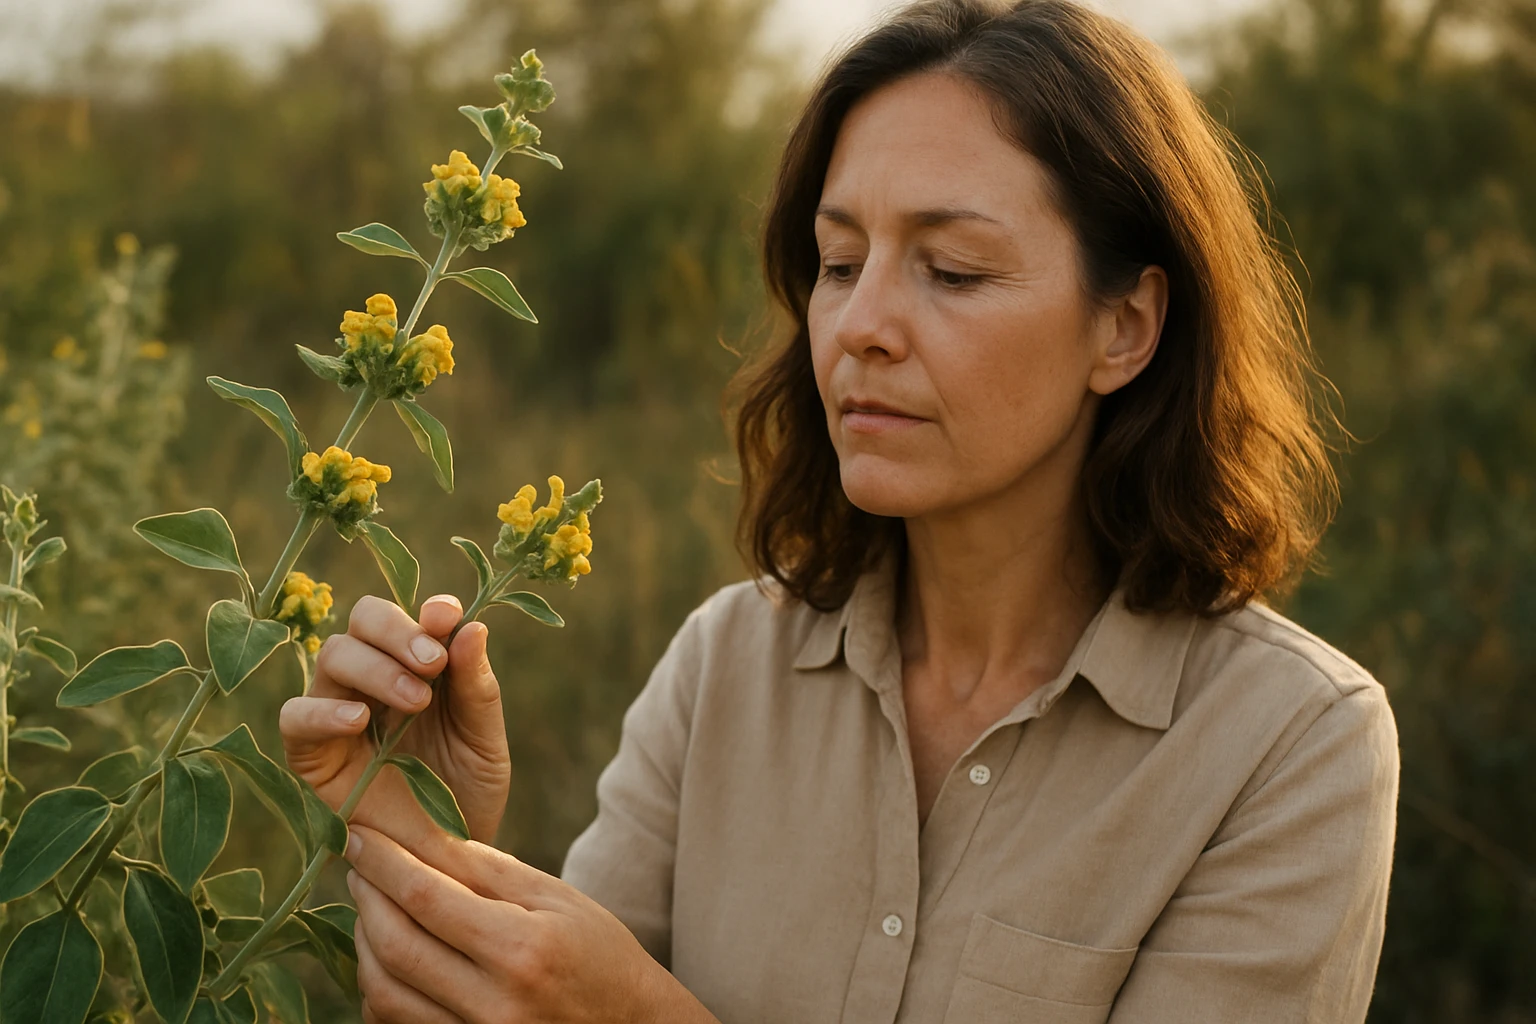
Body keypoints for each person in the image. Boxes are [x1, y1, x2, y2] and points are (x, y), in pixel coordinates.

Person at [278, 0, 1401, 1020]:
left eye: (953, 270)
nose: (861, 325)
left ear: (1127, 327)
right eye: (837, 260)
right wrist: (425, 834)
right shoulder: (724, 667)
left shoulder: (1291, 746)